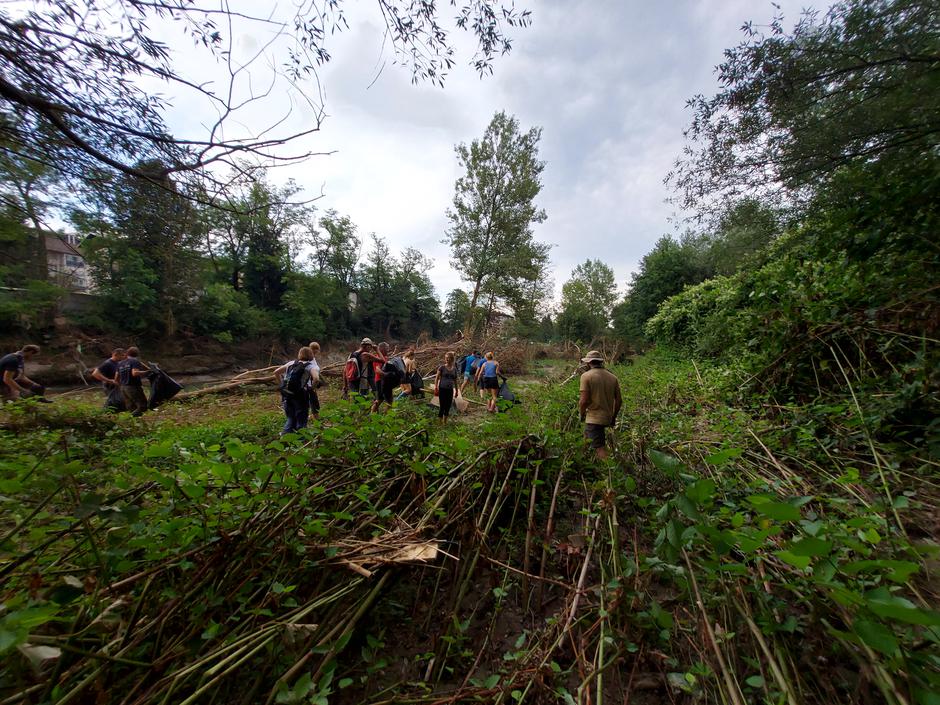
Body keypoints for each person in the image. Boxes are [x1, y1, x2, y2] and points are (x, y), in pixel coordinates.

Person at [578, 350, 622, 460]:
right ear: (600, 362)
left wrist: (581, 414)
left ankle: (609, 471)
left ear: (588, 363)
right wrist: (613, 417)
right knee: (587, 440)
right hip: (607, 417)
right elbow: (619, 400)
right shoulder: (612, 377)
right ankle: (587, 464)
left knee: (599, 448)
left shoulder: (586, 376)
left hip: (594, 418)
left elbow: (584, 401)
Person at [275, 346, 317, 435]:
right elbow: (316, 378)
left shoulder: (291, 363)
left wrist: (281, 384)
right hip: (300, 395)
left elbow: (276, 372)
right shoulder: (311, 366)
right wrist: (312, 388)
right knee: (301, 418)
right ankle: (301, 439)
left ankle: (285, 436)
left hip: (287, 394)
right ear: (311, 355)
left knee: (291, 417)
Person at [116, 346, 150, 416]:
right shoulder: (134, 361)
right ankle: (128, 419)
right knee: (143, 406)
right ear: (137, 354)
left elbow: (116, 378)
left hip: (123, 388)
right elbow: (134, 373)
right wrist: (147, 372)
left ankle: (133, 424)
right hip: (133, 387)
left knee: (131, 408)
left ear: (127, 353)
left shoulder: (120, 363)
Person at [434, 351, 459, 424]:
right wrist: (436, 387)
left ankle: (444, 423)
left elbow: (455, 381)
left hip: (450, 389)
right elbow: (436, 378)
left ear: (452, 359)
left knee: (448, 406)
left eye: (449, 358)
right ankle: (439, 423)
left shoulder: (454, 369)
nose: (447, 359)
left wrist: (457, 391)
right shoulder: (442, 368)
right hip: (442, 389)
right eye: (446, 358)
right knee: (442, 406)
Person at [307, 342, 322, 419]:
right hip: (309, 383)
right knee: (314, 401)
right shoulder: (309, 358)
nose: (315, 350)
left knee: (313, 401)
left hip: (311, 383)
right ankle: (316, 418)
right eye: (314, 348)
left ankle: (313, 416)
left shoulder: (313, 358)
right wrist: (313, 386)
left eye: (316, 349)